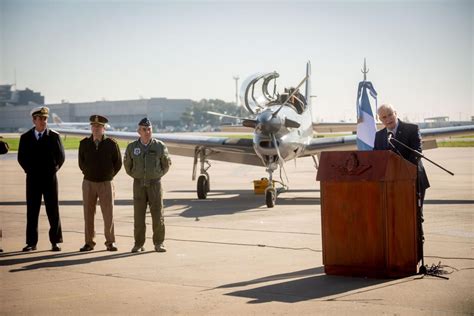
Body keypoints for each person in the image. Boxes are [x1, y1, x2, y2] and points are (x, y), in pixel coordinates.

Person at [374, 103, 430, 261]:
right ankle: (398, 253)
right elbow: (376, 157)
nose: (388, 119)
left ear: (396, 113)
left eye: (390, 114)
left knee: (415, 216)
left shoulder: (412, 129)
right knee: (395, 217)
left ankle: (417, 254)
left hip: (413, 180)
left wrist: (399, 167)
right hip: (391, 183)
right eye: (384, 117)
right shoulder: (379, 136)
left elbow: (417, 152)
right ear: (380, 120)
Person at [18, 106, 65, 252]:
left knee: (53, 210)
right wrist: (29, 171)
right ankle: (31, 242)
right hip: (32, 179)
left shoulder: (54, 136)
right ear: (34, 120)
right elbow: (21, 158)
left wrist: (53, 170)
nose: (43, 121)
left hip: (50, 179)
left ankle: (55, 241)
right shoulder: (25, 137)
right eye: (40, 119)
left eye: (45, 118)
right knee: (32, 211)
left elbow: (61, 157)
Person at [124, 118, 171, 253]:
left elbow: (166, 164)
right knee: (138, 216)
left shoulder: (159, 146)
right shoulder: (132, 147)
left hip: (155, 184)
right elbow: (127, 165)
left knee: (158, 215)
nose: (147, 132)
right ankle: (138, 244)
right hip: (138, 184)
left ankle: (159, 243)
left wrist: (157, 174)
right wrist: (136, 175)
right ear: (139, 131)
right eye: (144, 129)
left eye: (149, 129)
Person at [78, 115, 122, 252]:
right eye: (94, 126)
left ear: (104, 128)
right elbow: (81, 163)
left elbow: (118, 163)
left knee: (108, 214)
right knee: (88, 213)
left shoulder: (111, 144)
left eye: (99, 126)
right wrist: (89, 173)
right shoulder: (84, 143)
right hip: (88, 183)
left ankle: (110, 242)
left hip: (106, 183)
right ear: (91, 127)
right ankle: (89, 242)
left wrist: (108, 175)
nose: (96, 129)